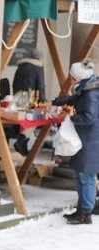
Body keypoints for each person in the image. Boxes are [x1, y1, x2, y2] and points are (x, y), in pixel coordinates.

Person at [54, 60, 98, 225]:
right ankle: (81, 209)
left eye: (72, 77)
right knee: (80, 174)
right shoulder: (86, 89)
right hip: (86, 138)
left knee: (87, 176)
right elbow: (73, 99)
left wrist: (72, 117)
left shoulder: (91, 93)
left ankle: (85, 212)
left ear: (79, 77)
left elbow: (89, 118)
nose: (71, 80)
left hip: (91, 140)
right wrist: (55, 102)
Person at [12, 48, 47, 155]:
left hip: (18, 97)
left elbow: (14, 83)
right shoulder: (38, 67)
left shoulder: (21, 66)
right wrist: (43, 101)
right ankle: (22, 139)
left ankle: (22, 143)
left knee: (23, 119)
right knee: (37, 117)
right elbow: (40, 86)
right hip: (31, 98)